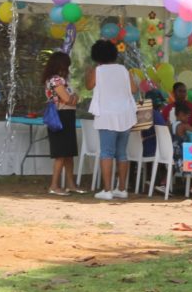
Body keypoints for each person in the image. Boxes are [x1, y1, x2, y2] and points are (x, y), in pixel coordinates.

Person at [85, 39, 137, 201]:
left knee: (107, 152)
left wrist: (89, 72)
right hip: (125, 115)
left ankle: (107, 190)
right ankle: (121, 189)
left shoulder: (97, 71)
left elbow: (88, 86)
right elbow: (134, 89)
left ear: (96, 56)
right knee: (122, 153)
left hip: (107, 115)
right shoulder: (123, 70)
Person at [42, 51, 81, 195]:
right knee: (61, 153)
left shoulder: (61, 80)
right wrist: (74, 97)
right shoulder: (56, 80)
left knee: (69, 153)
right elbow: (67, 99)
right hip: (61, 116)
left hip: (68, 116)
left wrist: (73, 97)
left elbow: (73, 98)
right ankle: (54, 185)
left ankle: (71, 184)